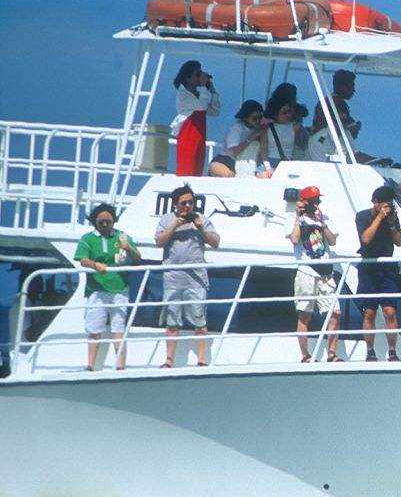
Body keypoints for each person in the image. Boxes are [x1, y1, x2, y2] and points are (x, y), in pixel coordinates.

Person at [154, 184, 219, 367]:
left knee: (199, 320)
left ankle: (201, 359)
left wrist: (201, 229)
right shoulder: (167, 220)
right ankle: (169, 360)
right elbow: (159, 242)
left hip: (196, 280)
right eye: (184, 203)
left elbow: (216, 242)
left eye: (191, 202)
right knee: (172, 321)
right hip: (173, 280)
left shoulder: (201, 219)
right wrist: (175, 225)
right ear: (175, 204)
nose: (188, 206)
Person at [74, 203, 141, 371]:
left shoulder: (122, 237)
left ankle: (120, 366)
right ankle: (90, 365)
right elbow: (82, 259)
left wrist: (129, 248)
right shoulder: (88, 238)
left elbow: (138, 258)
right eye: (101, 221)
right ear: (95, 221)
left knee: (118, 329)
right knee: (94, 328)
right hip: (97, 290)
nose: (104, 225)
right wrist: (95, 265)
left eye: (108, 222)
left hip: (120, 290)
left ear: (113, 221)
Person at [288, 186, 342, 362]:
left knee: (335, 313)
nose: (316, 204)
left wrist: (322, 223)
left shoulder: (324, 218)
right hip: (306, 271)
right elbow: (295, 239)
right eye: (313, 201)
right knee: (305, 314)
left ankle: (332, 353)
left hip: (326, 271)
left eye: (318, 200)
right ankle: (305, 355)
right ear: (304, 202)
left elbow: (332, 241)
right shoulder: (294, 218)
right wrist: (298, 217)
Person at [355, 184, 401, 361]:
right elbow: (366, 239)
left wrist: (391, 224)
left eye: (389, 204)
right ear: (375, 202)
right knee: (369, 312)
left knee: (390, 311)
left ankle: (392, 351)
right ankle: (370, 350)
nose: (387, 207)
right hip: (369, 269)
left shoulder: (392, 217)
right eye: (384, 203)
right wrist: (378, 219)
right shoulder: (362, 216)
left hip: (387, 269)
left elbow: (398, 242)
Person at [170, 60, 218, 176]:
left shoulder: (201, 94)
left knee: (197, 169)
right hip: (188, 133)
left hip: (199, 134)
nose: (200, 77)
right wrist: (203, 87)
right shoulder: (183, 95)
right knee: (187, 168)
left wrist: (213, 91)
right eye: (197, 74)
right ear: (187, 78)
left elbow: (215, 111)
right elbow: (201, 106)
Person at [210, 100, 267, 178]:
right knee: (228, 175)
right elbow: (235, 152)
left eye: (260, 118)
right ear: (245, 118)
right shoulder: (236, 128)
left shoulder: (260, 129)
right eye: (254, 118)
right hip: (227, 160)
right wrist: (251, 138)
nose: (257, 121)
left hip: (247, 164)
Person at [261, 98, 305, 170]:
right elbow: (263, 149)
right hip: (269, 164)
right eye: (284, 113)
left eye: (289, 111)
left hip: (287, 164)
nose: (288, 114)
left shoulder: (295, 127)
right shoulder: (266, 128)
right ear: (275, 114)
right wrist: (268, 167)